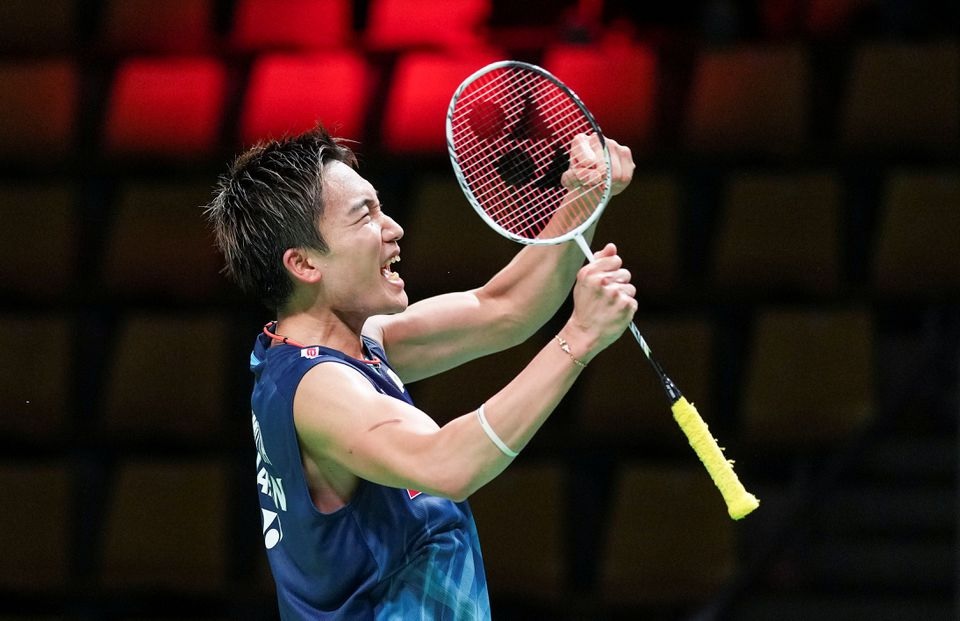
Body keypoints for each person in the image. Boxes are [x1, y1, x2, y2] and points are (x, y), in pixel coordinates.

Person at [205, 125, 637, 619]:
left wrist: (585, 195)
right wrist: (578, 340)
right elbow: (448, 465)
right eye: (364, 216)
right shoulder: (318, 388)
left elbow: (504, 308)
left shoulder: (356, 345)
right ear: (303, 263)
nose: (393, 228)